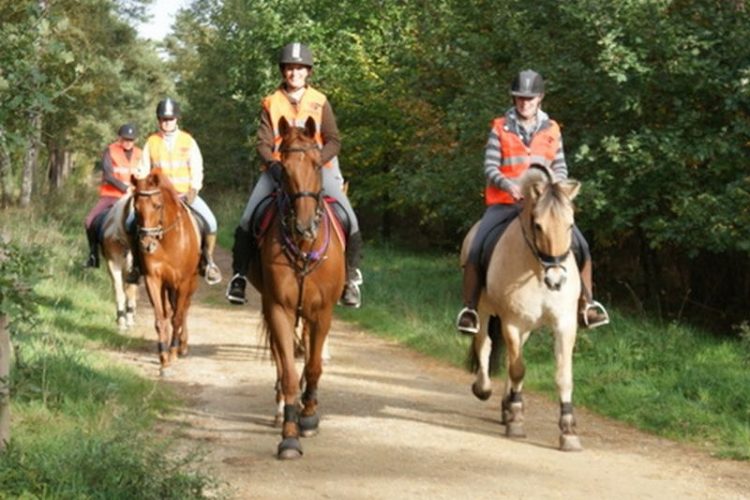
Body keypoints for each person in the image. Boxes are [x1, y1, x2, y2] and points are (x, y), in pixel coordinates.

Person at [456, 69, 609, 335]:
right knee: (477, 246)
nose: (524, 103)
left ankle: (588, 304)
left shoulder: (552, 129)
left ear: (540, 98)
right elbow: (490, 167)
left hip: (544, 206)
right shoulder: (499, 128)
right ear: (514, 99)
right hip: (506, 202)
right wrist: (509, 185)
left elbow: (560, 167)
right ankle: (470, 309)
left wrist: (555, 190)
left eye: (529, 98)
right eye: (519, 98)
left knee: (581, 245)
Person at [226, 42, 363, 307]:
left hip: (320, 171)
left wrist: (315, 162)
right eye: (290, 68)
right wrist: (276, 167)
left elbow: (334, 140)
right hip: (279, 171)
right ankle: (240, 277)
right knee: (247, 219)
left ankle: (350, 279)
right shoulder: (271, 102)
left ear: (308, 71)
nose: (294, 73)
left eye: (299, 68)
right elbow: (263, 143)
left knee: (350, 219)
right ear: (283, 71)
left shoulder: (320, 101)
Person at [132, 97, 222, 285]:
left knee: (211, 222)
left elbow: (197, 166)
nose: (167, 122)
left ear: (176, 119)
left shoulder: (188, 141)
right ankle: (137, 265)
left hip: (184, 195)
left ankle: (208, 262)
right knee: (132, 223)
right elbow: (143, 168)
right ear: (158, 120)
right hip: (158, 198)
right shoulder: (152, 142)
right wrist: (139, 183)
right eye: (163, 119)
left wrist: (194, 188)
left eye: (170, 119)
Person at [83, 123, 141, 268]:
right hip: (111, 195)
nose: (128, 142)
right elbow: (108, 175)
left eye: (131, 140)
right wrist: (124, 187)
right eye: (125, 139)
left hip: (134, 196)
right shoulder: (110, 151)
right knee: (89, 221)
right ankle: (93, 255)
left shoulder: (141, 154)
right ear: (119, 138)